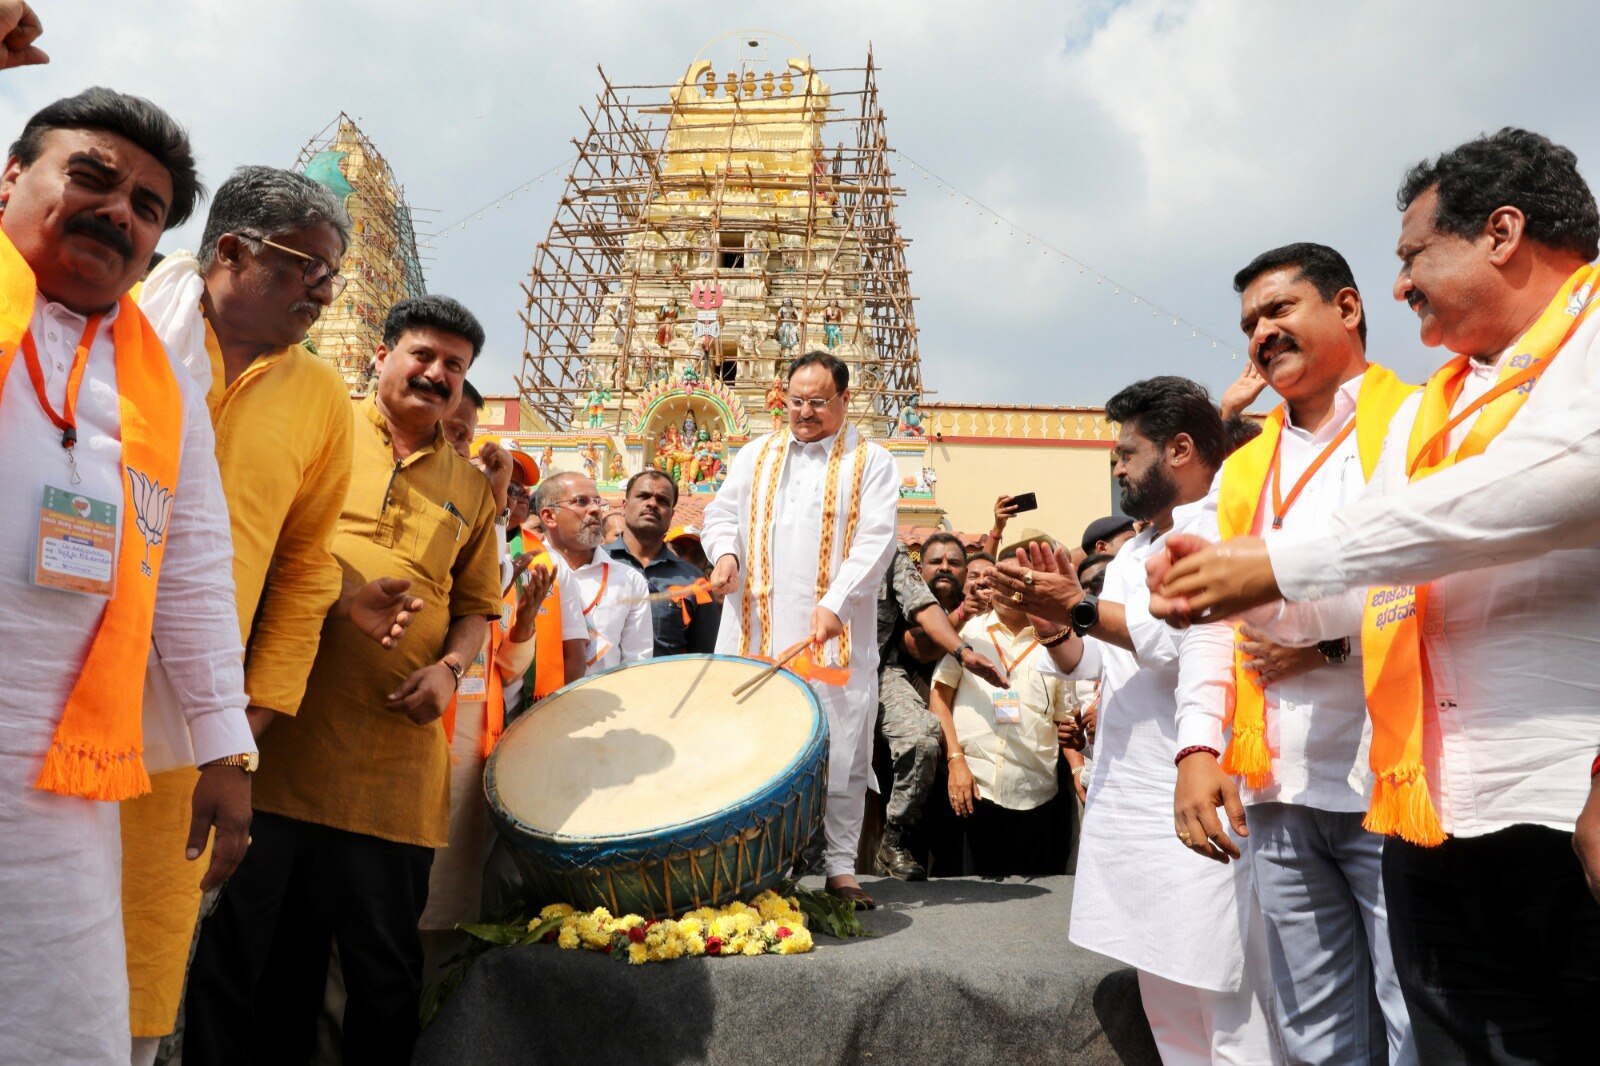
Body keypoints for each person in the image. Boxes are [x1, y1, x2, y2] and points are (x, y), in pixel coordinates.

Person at [1153, 129, 1600, 1062]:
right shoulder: (1440, 406)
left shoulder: (1581, 345)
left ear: (1503, 232)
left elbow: (1551, 481)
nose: (1403, 286)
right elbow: (1379, 584)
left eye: (1412, 257)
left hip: (1566, 803)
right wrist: (1222, 593)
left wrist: (1273, 567)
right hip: (1429, 811)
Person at [123, 165, 420, 1065]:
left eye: (335, 274)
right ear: (230, 251)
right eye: (307, 268)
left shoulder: (321, 396)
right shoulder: (124, 331)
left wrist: (240, 728)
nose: (326, 293)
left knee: (146, 962)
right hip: (62, 686)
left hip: (192, 723)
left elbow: (298, 574)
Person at [0, 88, 257, 1064]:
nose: (120, 210)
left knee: (61, 1033)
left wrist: (225, 752)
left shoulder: (158, 384)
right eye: (93, 176)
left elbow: (193, 569)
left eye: (148, 206)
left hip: (62, 784)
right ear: (11, 179)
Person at [185, 295, 502, 1065]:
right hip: (278, 750)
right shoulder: (318, 430)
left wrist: (450, 669)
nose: (437, 375)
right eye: (423, 356)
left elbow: (477, 609)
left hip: (392, 772)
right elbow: (251, 546)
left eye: (454, 368)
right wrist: (338, 598)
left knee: (383, 976)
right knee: (249, 963)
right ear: (381, 355)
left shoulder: (469, 488)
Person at [1171, 242, 1415, 1064]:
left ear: (1346, 308)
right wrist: (1200, 746)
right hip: (1279, 779)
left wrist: (1326, 644)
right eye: (1249, 323)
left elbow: (1424, 577)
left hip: (1396, 777)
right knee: (1312, 1026)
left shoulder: (1417, 425)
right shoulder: (1243, 470)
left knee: (1413, 1012)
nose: (1261, 334)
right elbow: (1210, 616)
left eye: (1279, 310)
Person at [986, 377, 1277, 1063]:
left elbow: (1188, 640)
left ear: (1179, 449)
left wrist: (1079, 608)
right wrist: (1052, 620)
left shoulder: (1225, 521)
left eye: (1127, 452)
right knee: (1166, 996)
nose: (1116, 467)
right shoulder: (1138, 549)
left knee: (1229, 997)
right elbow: (1093, 664)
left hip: (1205, 782)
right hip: (1134, 796)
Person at [703, 351, 900, 907]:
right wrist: (724, 557)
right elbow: (720, 516)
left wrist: (836, 601)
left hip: (831, 635)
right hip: (755, 632)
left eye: (818, 401)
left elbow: (877, 539)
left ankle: (840, 867)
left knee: (843, 748)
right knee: (748, 742)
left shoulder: (872, 460)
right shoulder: (754, 454)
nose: (805, 412)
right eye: (796, 401)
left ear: (844, 400)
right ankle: (748, 864)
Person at [929, 540, 1083, 877]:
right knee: (967, 910)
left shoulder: (1055, 642)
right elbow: (938, 698)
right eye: (1004, 578)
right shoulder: (968, 631)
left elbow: (1062, 720)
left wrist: (1076, 768)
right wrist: (955, 761)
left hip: (1034, 797)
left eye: (1020, 579)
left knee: (1026, 918)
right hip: (972, 792)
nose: (1010, 587)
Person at [873, 537, 1007, 880]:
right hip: (837, 679)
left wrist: (966, 636)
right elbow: (918, 647)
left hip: (967, 748)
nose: (945, 567)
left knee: (922, 741)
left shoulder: (889, 552)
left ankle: (897, 846)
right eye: (936, 561)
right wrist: (962, 623)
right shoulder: (915, 605)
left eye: (954, 562)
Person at [535, 470, 651, 674]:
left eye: (597, 501)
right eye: (581, 502)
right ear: (549, 516)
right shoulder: (523, 570)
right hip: (528, 704)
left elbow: (637, 665)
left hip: (605, 704)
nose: (596, 509)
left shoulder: (628, 580)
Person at [607, 468, 721, 656]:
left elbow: (706, 655)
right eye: (643, 496)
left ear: (671, 514)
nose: (652, 503)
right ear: (624, 506)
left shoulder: (695, 581)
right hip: (598, 683)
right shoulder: (594, 563)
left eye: (663, 500)